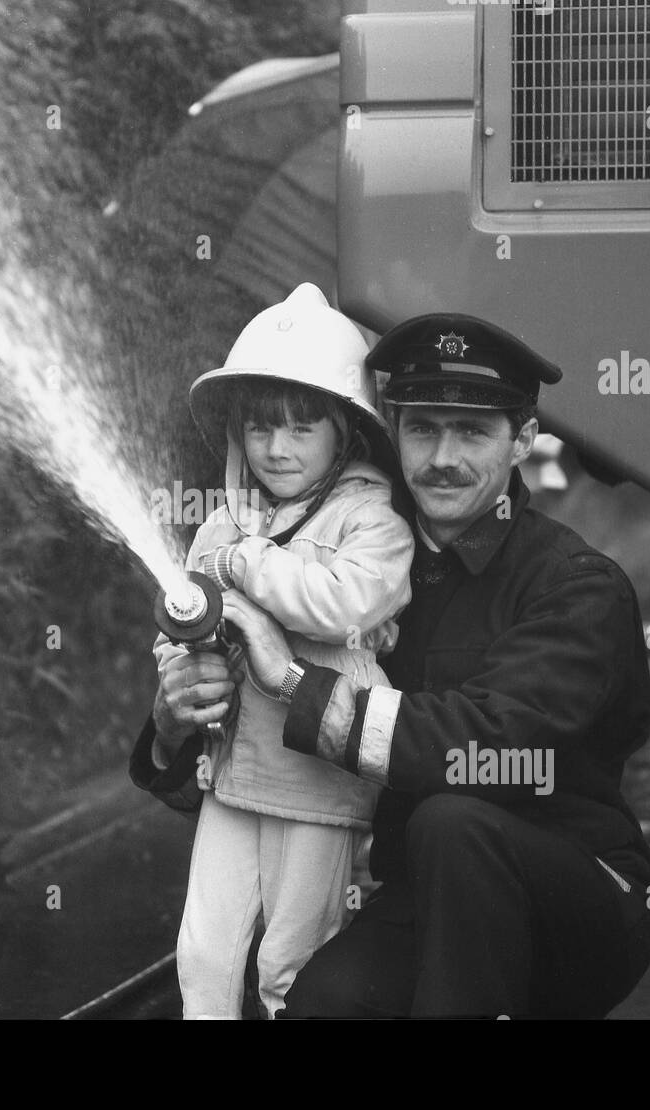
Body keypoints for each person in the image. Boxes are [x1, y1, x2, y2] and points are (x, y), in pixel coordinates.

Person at [149, 312, 650, 1018]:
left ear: (523, 438)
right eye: (422, 428)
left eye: (473, 432)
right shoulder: (354, 564)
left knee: (453, 819)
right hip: (427, 898)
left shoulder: (576, 585)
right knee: (319, 1004)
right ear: (390, 430)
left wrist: (298, 685)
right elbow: (239, 758)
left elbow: (486, 746)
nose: (442, 457)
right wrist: (176, 719)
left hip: (581, 902)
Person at [131, 284, 414, 1018]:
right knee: (201, 956)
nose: (277, 448)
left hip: (321, 784)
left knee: (292, 968)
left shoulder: (373, 525)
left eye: (300, 428)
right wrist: (179, 668)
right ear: (236, 433)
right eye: (260, 429)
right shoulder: (217, 528)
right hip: (234, 775)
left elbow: (343, 604)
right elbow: (177, 626)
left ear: (346, 431)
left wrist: (244, 569)